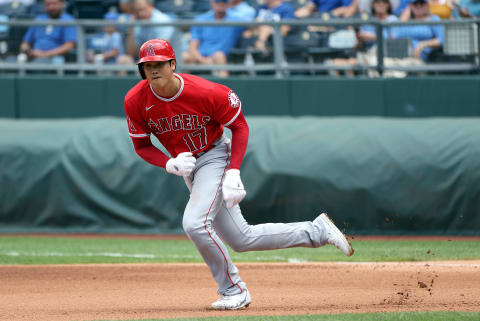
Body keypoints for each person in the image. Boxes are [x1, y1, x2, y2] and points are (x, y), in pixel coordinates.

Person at [123, 38, 354, 310]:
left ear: (173, 64)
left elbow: (240, 127)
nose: (153, 70)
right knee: (241, 238)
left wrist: (233, 171)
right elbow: (141, 145)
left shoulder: (206, 91)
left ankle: (234, 290)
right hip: (188, 166)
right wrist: (168, 163)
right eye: (147, 65)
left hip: (214, 155)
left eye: (159, 63)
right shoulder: (135, 100)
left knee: (194, 224)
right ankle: (316, 231)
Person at [328, 0, 398, 77]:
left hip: (385, 55)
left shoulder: (392, 19)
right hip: (366, 53)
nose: (381, 4)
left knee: (355, 62)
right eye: (377, 2)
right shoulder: (367, 21)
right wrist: (359, 38)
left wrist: (373, 37)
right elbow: (360, 40)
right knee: (345, 61)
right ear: (372, 4)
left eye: (384, 2)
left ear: (388, 5)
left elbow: (393, 38)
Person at [182, 0, 244, 77]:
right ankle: (181, 87)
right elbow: (193, 47)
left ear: (229, 3)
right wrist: (203, 60)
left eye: (224, 1)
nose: (220, 4)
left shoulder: (236, 20)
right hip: (200, 57)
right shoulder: (201, 20)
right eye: (217, 1)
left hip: (221, 58)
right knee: (184, 56)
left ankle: (225, 87)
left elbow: (253, 29)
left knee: (219, 56)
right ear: (212, 2)